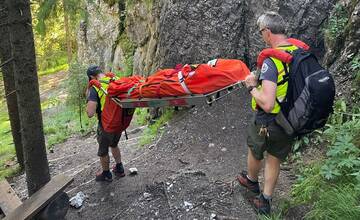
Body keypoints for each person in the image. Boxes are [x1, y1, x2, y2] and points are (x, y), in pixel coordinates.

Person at [238, 11, 297, 215]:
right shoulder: (297, 51)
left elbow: (268, 103)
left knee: (255, 148)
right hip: (291, 117)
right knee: (275, 158)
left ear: (268, 32)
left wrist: (251, 87)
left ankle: (252, 182)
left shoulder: (272, 62)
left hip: (269, 120)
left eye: (261, 31)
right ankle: (265, 201)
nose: (261, 35)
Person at [86, 65, 125, 182]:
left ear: (91, 77)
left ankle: (106, 174)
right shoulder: (115, 79)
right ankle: (120, 168)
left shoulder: (95, 88)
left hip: (106, 124)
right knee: (114, 144)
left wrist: (88, 95)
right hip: (120, 121)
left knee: (103, 151)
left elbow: (90, 113)